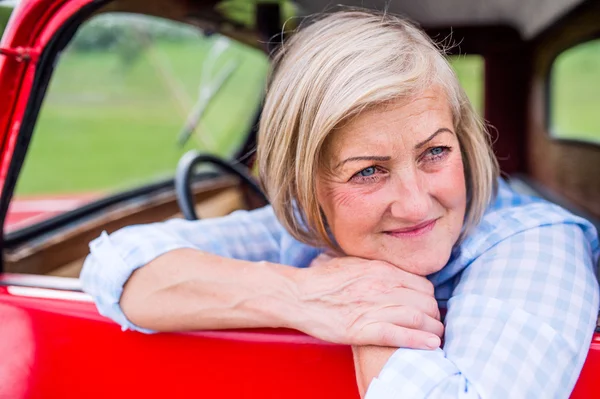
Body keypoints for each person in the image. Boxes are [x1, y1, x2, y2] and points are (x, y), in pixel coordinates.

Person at [81, 9, 600, 399]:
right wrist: (301, 294)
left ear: (463, 142)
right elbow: (115, 265)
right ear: (307, 187)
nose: (416, 202)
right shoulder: (311, 224)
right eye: (369, 171)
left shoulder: (538, 241)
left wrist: (373, 311)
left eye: (435, 152)